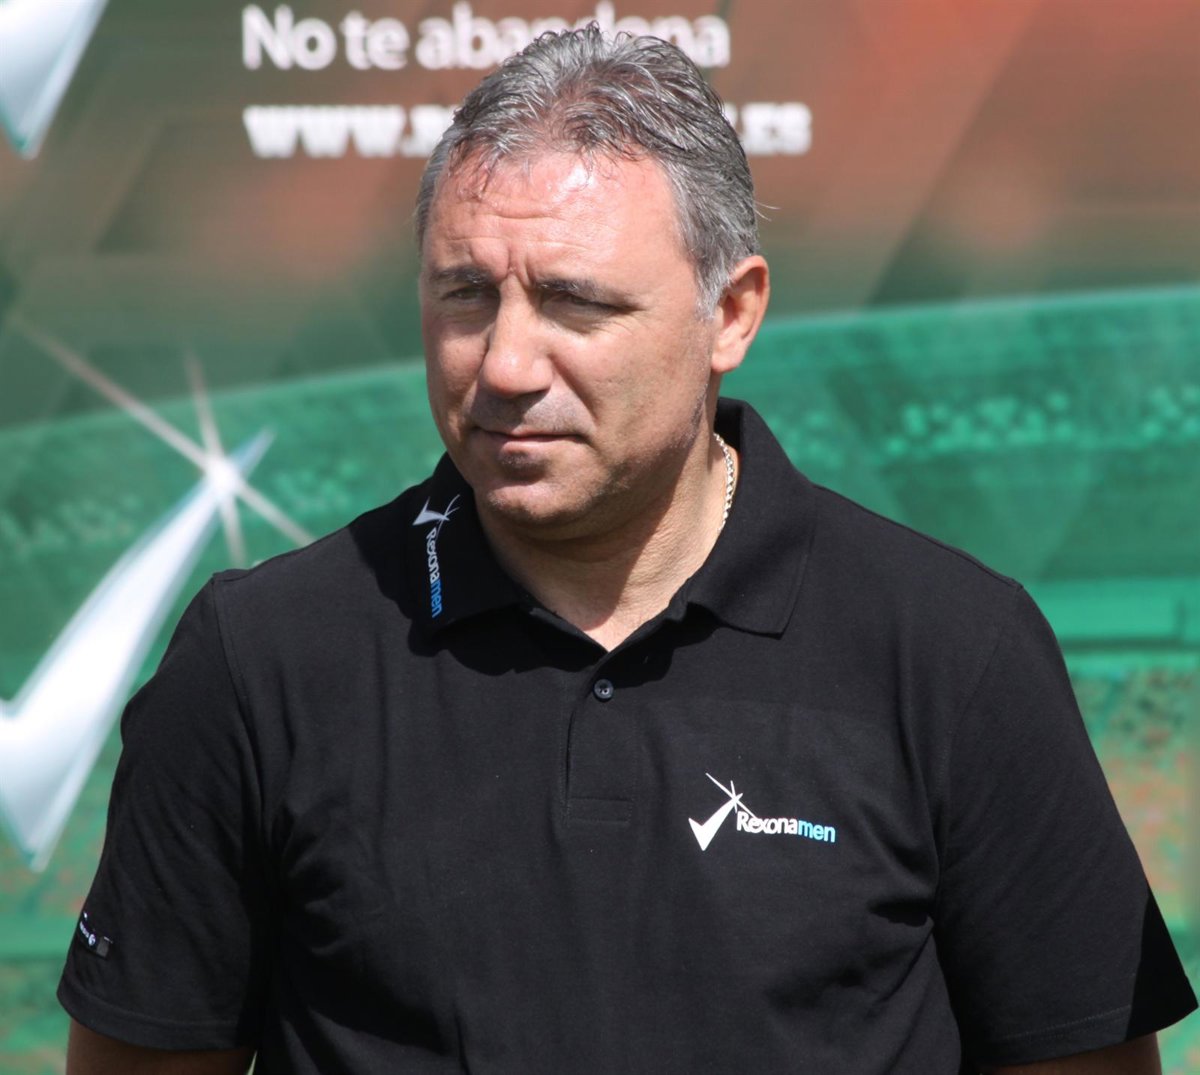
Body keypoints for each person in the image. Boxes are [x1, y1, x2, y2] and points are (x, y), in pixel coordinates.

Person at [60, 26, 1194, 1075]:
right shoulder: (260, 660)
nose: (506, 364)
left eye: (575, 303)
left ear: (731, 313)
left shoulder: (953, 651)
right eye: (466, 295)